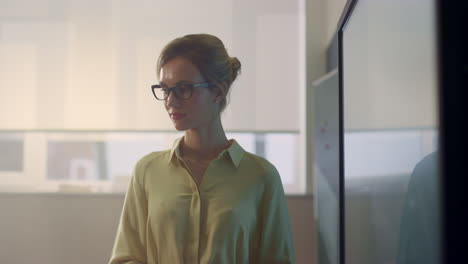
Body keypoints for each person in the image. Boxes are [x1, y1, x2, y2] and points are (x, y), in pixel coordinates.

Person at [109, 33, 295, 264]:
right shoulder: (147, 171)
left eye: (184, 88)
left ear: (218, 92)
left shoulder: (262, 176)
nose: (170, 101)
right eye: (165, 89)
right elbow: (126, 258)